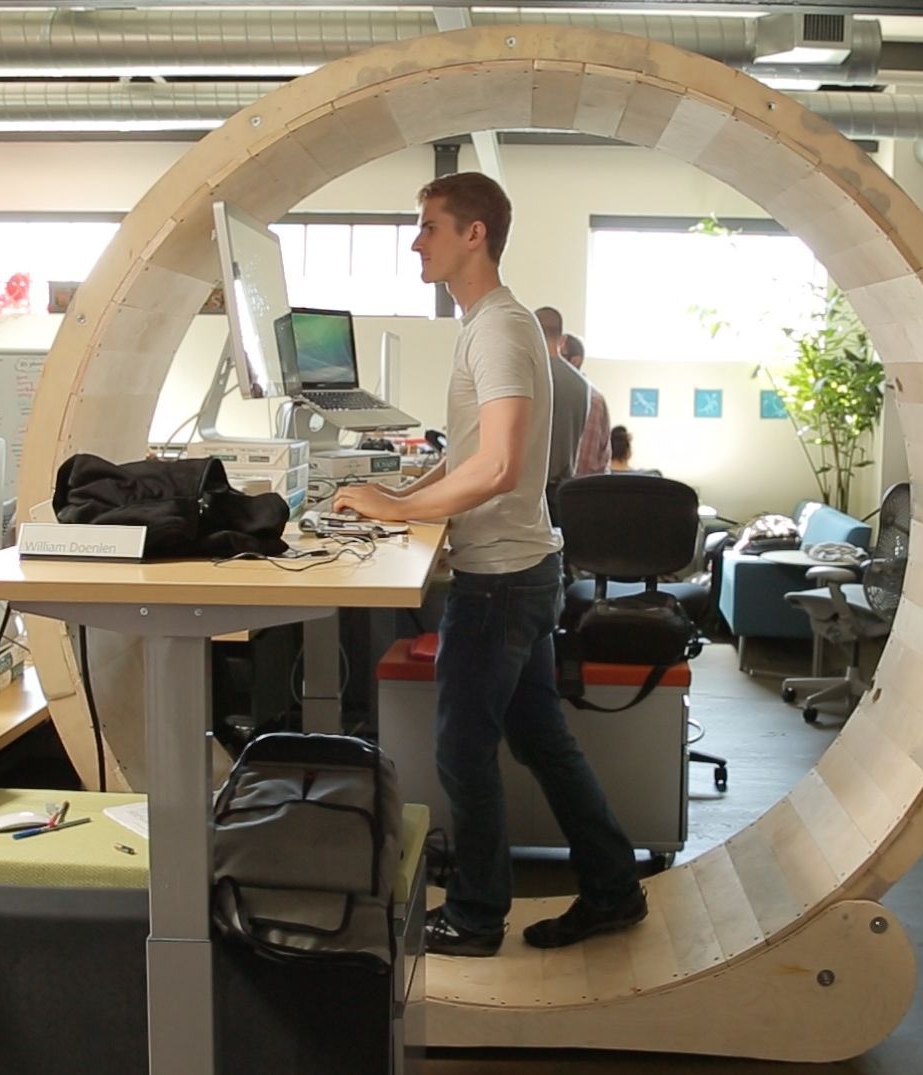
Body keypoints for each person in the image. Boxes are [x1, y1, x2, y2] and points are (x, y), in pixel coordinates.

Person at [333, 172, 646, 958]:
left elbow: (502, 464)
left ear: (475, 234)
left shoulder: (499, 328)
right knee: (541, 739)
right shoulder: (488, 323)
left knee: (462, 750)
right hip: (524, 566)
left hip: (502, 579)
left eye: (429, 226)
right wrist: (401, 489)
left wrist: (399, 513)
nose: (416, 241)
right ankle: (613, 887)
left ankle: (475, 917)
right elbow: (473, 455)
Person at [533, 306, 589, 514]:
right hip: (562, 494)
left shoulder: (529, 377)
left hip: (528, 495)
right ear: (562, 339)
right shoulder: (581, 384)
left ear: (531, 331)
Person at [560, 334, 611, 477]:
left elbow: (583, 466)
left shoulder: (590, 400)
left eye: (560, 356)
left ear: (575, 361)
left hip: (577, 493)